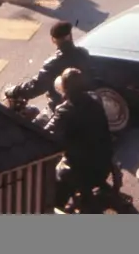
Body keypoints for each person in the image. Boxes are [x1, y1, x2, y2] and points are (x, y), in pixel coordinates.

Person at [44, 68, 114, 211]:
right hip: (104, 163)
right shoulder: (95, 98)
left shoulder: (64, 111)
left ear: (64, 88)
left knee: (53, 182)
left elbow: (47, 134)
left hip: (82, 171)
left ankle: (57, 207)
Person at [10, 21, 91, 110]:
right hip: (85, 103)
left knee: (37, 120)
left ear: (53, 40)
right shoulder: (83, 53)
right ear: (70, 36)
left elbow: (37, 86)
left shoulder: (53, 63)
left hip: (59, 107)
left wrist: (16, 91)